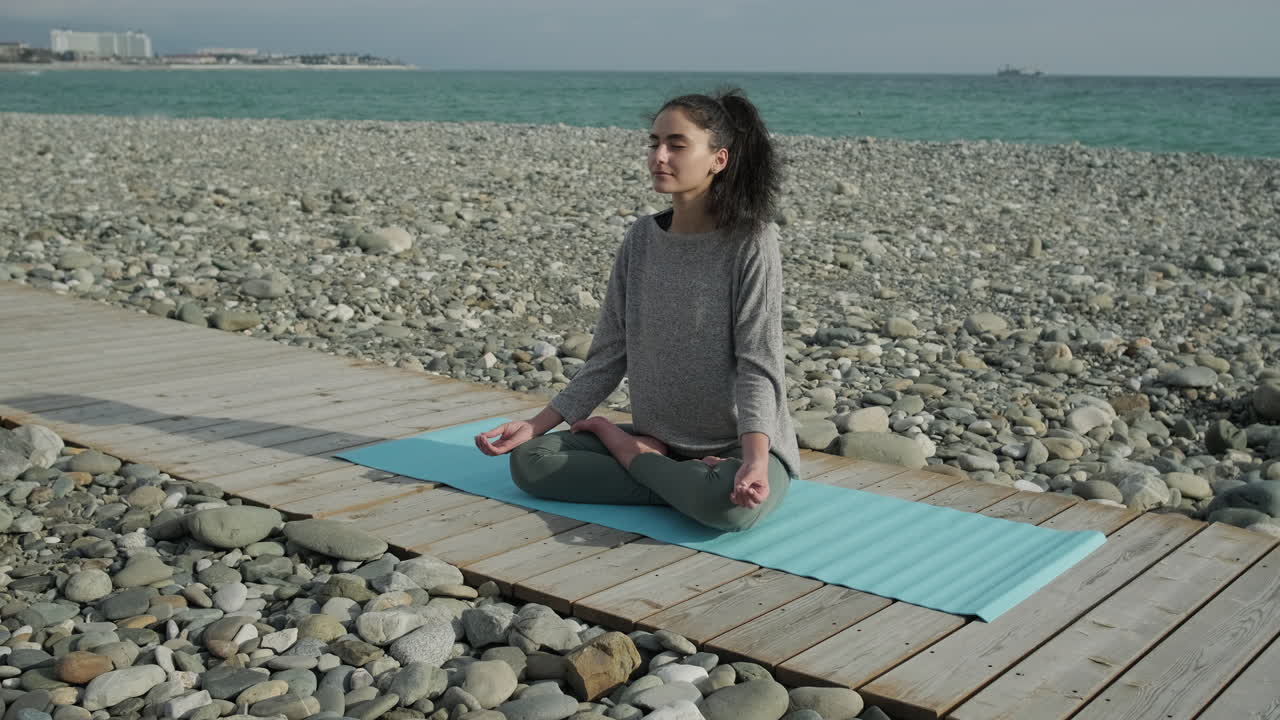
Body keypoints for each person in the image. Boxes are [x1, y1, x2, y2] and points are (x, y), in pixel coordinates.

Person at [473, 88, 799, 532]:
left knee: (731, 507)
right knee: (531, 462)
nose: (659, 156)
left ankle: (643, 463)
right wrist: (536, 424)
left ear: (718, 160)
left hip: (739, 444)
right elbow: (608, 354)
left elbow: (758, 364)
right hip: (657, 437)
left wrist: (757, 462)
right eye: (654, 142)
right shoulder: (642, 239)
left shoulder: (751, 242)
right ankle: (678, 483)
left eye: (677, 145)